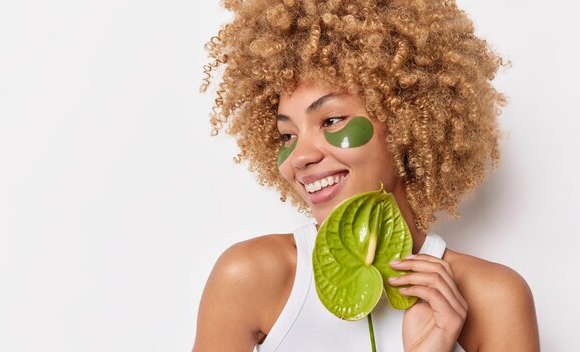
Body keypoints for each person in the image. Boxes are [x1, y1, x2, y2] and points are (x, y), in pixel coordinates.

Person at [193, 0, 539, 351]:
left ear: (405, 121)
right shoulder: (251, 277)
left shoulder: (494, 299)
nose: (299, 158)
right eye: (287, 136)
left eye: (331, 120)